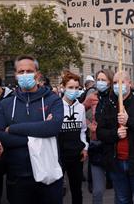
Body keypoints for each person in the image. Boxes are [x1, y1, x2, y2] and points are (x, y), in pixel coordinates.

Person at [0, 55, 64, 204]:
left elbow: (53, 128)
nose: (25, 74)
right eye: (21, 71)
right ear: (16, 75)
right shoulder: (6, 104)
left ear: (37, 74)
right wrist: (40, 133)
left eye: (29, 71)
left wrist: (12, 129)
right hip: (18, 177)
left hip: (48, 176)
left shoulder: (53, 99)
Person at [96, 71, 134, 204]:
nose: (118, 85)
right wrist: (115, 134)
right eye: (115, 83)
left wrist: (130, 121)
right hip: (116, 164)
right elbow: (100, 133)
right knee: (122, 200)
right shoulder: (109, 107)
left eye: (121, 82)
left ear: (129, 83)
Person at [84, 69, 114, 204]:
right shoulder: (92, 97)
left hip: (114, 145)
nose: (100, 82)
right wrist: (89, 124)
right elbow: (79, 111)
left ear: (110, 81)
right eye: (98, 80)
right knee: (97, 191)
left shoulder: (116, 97)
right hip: (97, 144)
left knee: (120, 189)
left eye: (104, 80)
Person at [58, 71, 88, 204]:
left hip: (76, 155)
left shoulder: (81, 107)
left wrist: (85, 147)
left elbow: (83, 130)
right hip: (59, 155)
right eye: (70, 87)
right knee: (57, 190)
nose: (74, 91)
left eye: (77, 88)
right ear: (63, 87)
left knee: (77, 190)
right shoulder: (56, 107)